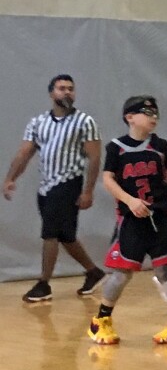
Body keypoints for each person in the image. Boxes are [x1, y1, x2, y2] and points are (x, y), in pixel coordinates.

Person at [88, 96, 167, 345]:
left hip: (161, 217)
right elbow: (107, 180)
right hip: (132, 220)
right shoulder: (116, 147)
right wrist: (129, 200)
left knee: (165, 270)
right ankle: (101, 321)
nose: (153, 117)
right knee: (121, 274)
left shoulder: (160, 145)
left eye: (156, 113)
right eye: (147, 113)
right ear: (130, 117)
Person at [3, 74, 105, 302]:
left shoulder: (84, 122)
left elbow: (95, 158)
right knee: (66, 236)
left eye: (71, 88)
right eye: (61, 88)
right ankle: (93, 272)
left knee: (50, 233)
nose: (67, 92)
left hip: (69, 183)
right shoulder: (38, 122)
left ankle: (43, 284)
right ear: (52, 93)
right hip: (46, 187)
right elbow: (25, 153)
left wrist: (88, 190)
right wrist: (11, 178)